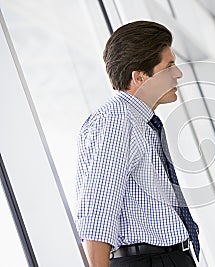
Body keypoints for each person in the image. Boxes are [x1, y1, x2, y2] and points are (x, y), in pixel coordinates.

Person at [74, 21, 200, 267]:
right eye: (169, 66)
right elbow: (97, 214)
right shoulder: (116, 120)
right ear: (140, 77)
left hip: (163, 258)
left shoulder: (142, 123)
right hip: (148, 261)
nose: (179, 74)